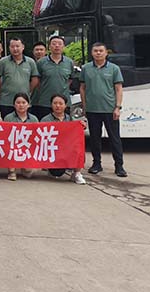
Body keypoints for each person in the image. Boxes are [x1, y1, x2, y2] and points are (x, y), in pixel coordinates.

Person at [80, 42, 127, 177]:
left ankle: (119, 166)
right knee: (94, 139)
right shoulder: (86, 68)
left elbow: (118, 89)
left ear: (106, 53)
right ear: (92, 53)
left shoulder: (114, 69)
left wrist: (117, 107)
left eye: (101, 51)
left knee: (114, 139)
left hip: (110, 110)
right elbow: (82, 88)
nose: (98, 53)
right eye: (95, 51)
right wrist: (84, 106)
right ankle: (96, 164)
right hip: (92, 110)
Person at [42, 94, 87, 185]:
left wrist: (81, 125)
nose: (57, 106)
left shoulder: (70, 119)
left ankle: (77, 173)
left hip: (67, 148)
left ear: (65, 105)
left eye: (60, 103)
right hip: (52, 149)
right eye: (55, 103)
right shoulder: (45, 120)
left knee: (79, 149)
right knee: (57, 173)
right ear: (51, 105)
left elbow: (78, 129)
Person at [0, 37, 39, 119]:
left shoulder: (30, 62)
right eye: (12, 46)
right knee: (7, 123)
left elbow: (35, 79)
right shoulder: (3, 61)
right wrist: (2, 89)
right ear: (9, 48)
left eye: (17, 46)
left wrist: (28, 89)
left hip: (24, 102)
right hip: (7, 101)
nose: (15, 49)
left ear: (23, 47)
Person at [32, 35, 76, 121]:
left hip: (63, 102)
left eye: (59, 44)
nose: (57, 46)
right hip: (45, 102)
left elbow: (70, 79)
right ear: (49, 47)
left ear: (63, 47)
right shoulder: (41, 62)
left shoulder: (69, 62)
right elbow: (37, 80)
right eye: (54, 44)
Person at [3, 93, 39, 181]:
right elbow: (4, 136)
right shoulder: (8, 118)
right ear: (14, 105)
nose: (21, 105)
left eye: (23, 102)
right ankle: (12, 171)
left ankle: (24, 168)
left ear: (28, 105)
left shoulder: (34, 119)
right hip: (12, 146)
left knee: (30, 172)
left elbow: (37, 136)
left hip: (27, 147)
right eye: (18, 103)